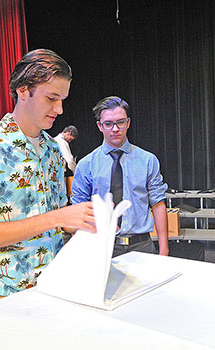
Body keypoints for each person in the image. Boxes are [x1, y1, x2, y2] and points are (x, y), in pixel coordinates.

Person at [0, 49, 95, 307]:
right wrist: (57, 217)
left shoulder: (53, 151)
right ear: (23, 90)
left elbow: (57, 219)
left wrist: (88, 222)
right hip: (0, 293)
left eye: (62, 99)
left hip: (53, 287)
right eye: (52, 98)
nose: (60, 109)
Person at [71, 96, 169, 257]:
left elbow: (158, 204)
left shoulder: (148, 160)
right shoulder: (86, 164)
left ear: (128, 123)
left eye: (120, 122)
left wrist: (164, 250)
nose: (115, 129)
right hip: (101, 246)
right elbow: (78, 209)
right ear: (99, 126)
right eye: (108, 124)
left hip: (142, 246)